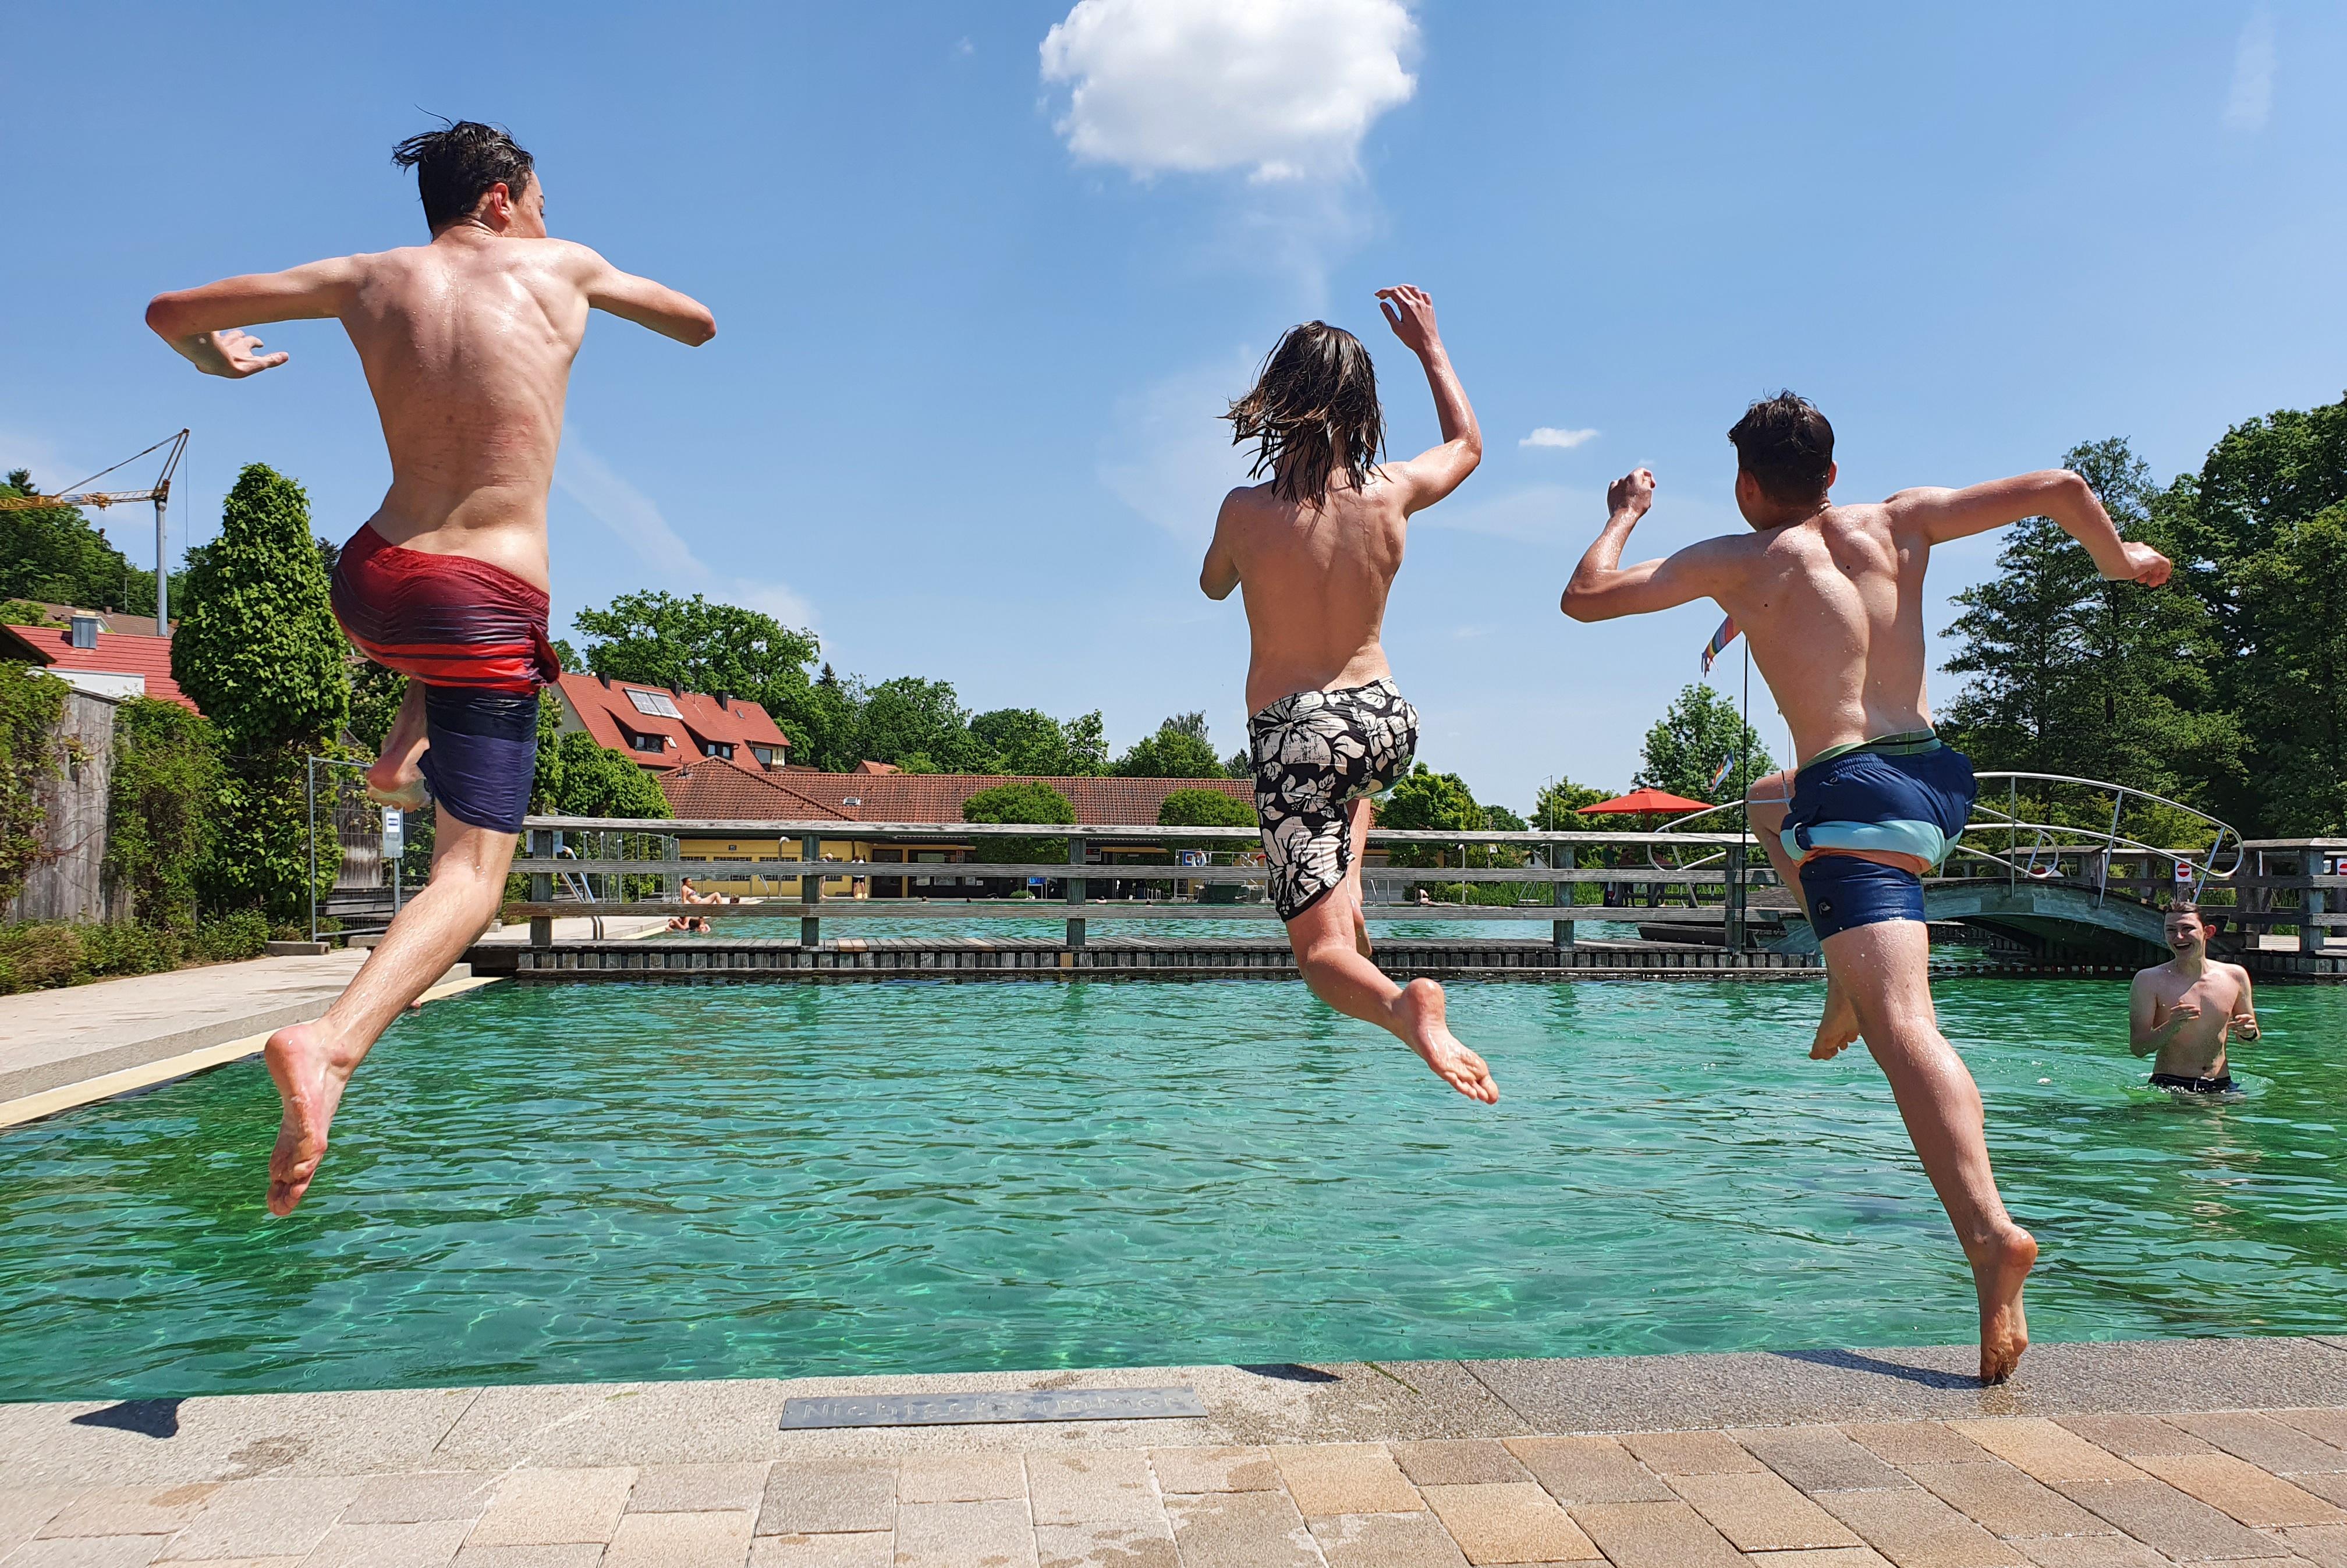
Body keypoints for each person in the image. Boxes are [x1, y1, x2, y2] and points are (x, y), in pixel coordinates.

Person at [145, 122, 716, 1215]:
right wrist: (599, 284)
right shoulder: (566, 266)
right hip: (481, 599)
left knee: (442, 646)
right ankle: (331, 1044)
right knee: (470, 879)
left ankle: (397, 755)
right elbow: (698, 323)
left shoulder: (366, 278)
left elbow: (172, 312)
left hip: (372, 581)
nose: (545, 221)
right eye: (539, 201)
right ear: (501, 198)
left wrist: (214, 359)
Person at [1559, 391, 2174, 1383]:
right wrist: (2120, 559)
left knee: (1906, 1026)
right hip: (1936, 781)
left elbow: (1584, 596)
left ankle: (1990, 1235)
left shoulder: (1741, 557)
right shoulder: (1903, 518)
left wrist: (1625, 512)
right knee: (1769, 802)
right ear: (1832, 474)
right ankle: (1837, 974)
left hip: (1855, 797)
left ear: (1746, 485)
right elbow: (2062, 486)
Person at [1200, 286, 1497, 1105]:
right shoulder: (1391, 490)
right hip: (1385, 720)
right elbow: (1468, 445)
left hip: (1298, 732)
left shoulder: (1245, 510)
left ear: (1277, 400)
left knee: (1320, 956)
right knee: (1355, 786)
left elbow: (1213, 585)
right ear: (1363, 406)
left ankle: (1405, 1007)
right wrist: (1430, 347)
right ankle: (1351, 882)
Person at [2130, 900, 2258, 1092]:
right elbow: (2138, 1048)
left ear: (2208, 932)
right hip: (2171, 1085)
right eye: (2171, 930)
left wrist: (2249, 1033)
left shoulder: (2235, 976)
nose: (2179, 937)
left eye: (2187, 929)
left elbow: (2249, 1037)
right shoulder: (2148, 980)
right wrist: (2172, 1026)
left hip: (2222, 1084)